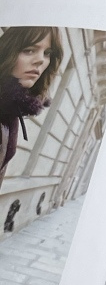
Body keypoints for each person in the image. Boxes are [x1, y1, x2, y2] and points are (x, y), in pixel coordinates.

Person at [0, 27, 64, 191]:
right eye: (29, 50)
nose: (40, 60)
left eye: (47, 53)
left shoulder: (10, 109)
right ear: (7, 51)